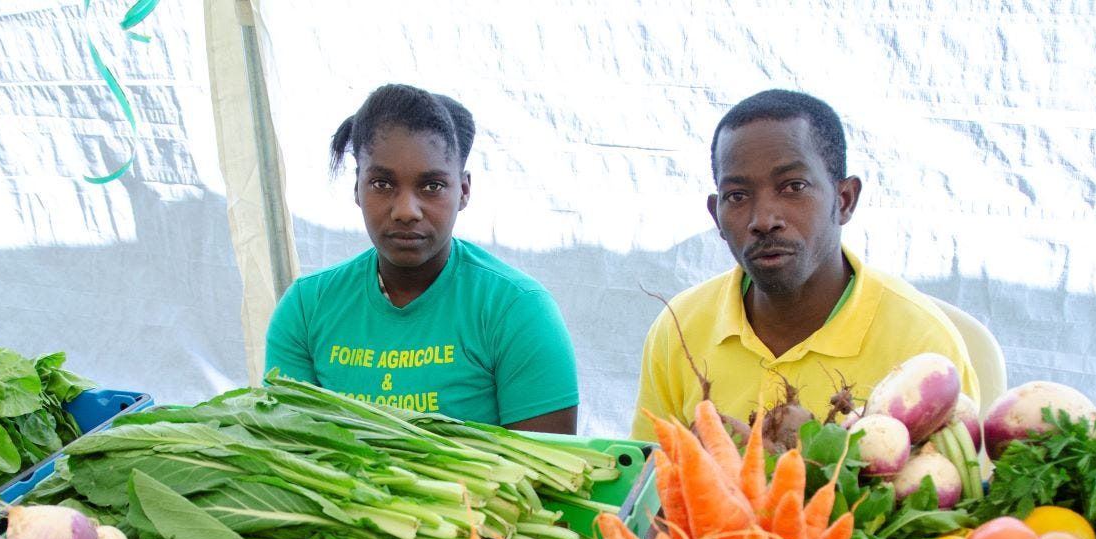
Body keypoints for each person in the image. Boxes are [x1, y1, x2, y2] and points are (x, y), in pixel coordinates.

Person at [633, 89, 977, 440]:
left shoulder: (922, 346)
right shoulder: (680, 328)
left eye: (793, 187)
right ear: (716, 216)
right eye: (737, 196)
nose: (764, 219)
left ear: (844, 200)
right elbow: (647, 481)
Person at [266, 84, 579, 432]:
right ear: (357, 187)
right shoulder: (306, 309)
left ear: (463, 191)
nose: (406, 211)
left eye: (431, 186)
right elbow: (288, 452)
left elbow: (548, 476)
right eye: (383, 184)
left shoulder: (518, 310)